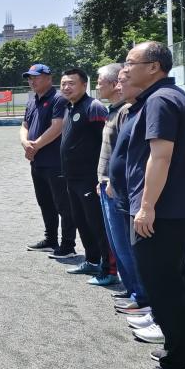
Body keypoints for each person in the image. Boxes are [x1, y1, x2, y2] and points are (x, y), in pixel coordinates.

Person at [123, 41, 185, 369]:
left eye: (131, 62)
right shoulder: (172, 96)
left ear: (153, 67)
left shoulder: (159, 100)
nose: (125, 68)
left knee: (164, 287)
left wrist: (146, 206)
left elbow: (161, 157)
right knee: (178, 282)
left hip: (161, 213)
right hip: (174, 211)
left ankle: (178, 366)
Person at [105, 68, 152, 319]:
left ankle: (144, 300)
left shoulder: (148, 108)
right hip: (115, 187)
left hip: (132, 193)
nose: (118, 87)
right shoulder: (125, 111)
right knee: (121, 245)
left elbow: (153, 157)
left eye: (123, 81)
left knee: (134, 250)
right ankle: (135, 292)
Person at [57, 68, 111, 280]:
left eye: (71, 83)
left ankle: (108, 270)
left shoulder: (94, 107)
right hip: (72, 178)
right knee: (81, 221)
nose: (66, 87)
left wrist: (103, 176)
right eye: (63, 84)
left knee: (97, 224)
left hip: (90, 179)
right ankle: (92, 261)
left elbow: (107, 143)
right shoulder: (69, 107)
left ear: (84, 85)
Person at [97, 64, 143, 296]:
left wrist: (113, 182)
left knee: (125, 245)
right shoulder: (114, 110)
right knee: (116, 244)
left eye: (100, 82)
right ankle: (130, 289)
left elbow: (127, 154)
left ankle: (139, 294)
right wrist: (101, 179)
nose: (97, 86)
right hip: (106, 186)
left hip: (117, 189)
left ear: (115, 84)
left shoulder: (126, 112)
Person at [20, 64, 75, 257]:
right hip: (37, 162)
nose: (31, 81)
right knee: (45, 203)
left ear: (49, 78)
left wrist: (34, 146)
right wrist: (25, 143)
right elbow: (24, 125)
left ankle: (68, 245)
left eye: (36, 77)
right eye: (30, 78)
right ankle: (51, 240)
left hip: (55, 162)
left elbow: (57, 127)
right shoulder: (32, 101)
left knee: (64, 205)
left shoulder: (59, 99)